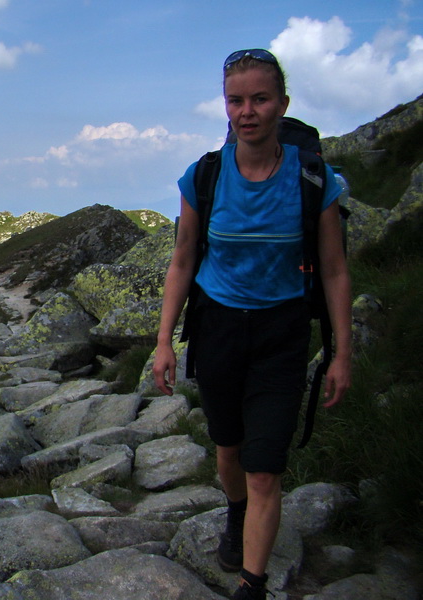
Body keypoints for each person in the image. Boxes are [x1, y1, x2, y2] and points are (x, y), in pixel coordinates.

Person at [152, 49, 352, 600]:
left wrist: (341, 353)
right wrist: (164, 341)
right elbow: (183, 258)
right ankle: (235, 512)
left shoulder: (315, 180)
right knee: (228, 446)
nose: (247, 111)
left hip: (281, 333)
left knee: (265, 465)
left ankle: (252, 584)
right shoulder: (205, 177)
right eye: (236, 100)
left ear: (282, 105)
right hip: (217, 326)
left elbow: (334, 270)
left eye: (260, 99)